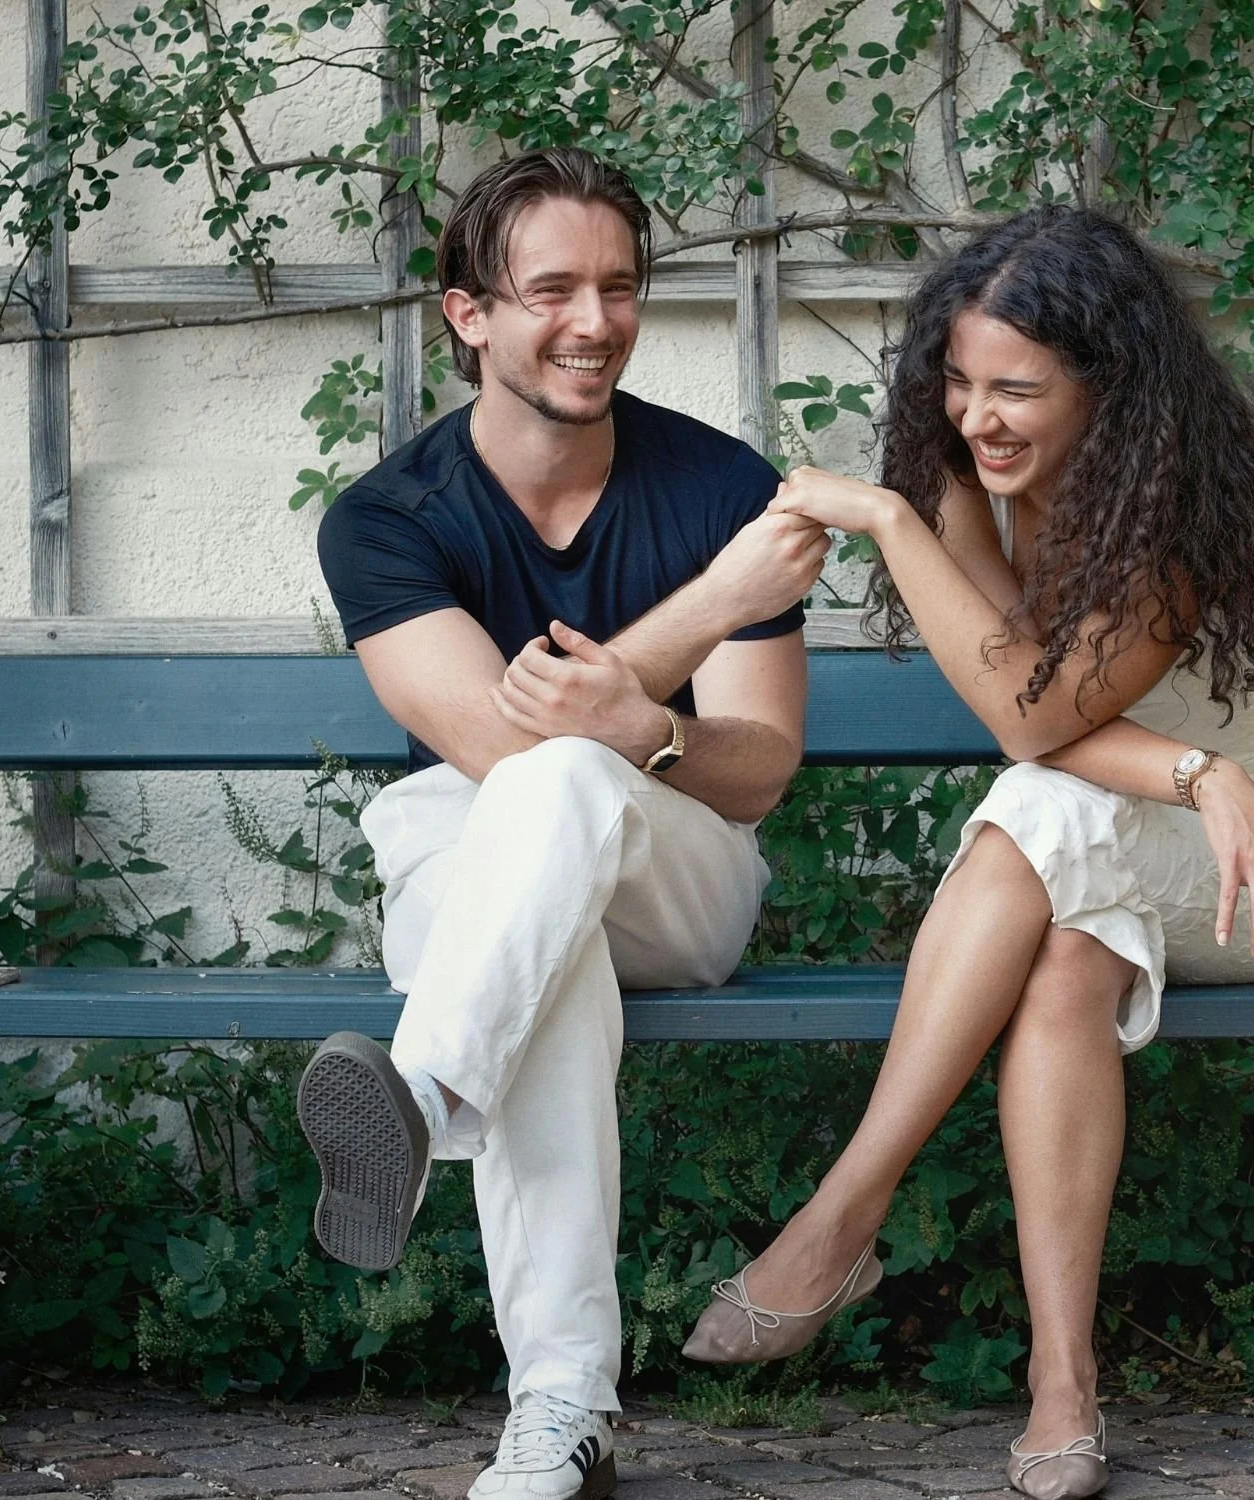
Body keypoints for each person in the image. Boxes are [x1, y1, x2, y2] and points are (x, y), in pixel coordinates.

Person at [678, 206, 1254, 1500]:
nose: (977, 415)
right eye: (960, 379)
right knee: (1062, 967)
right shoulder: (966, 485)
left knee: (1037, 815)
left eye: (1018, 390)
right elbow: (1038, 721)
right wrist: (1188, 771)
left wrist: (884, 519)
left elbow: (1026, 719)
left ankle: (840, 1218)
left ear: (1110, 390)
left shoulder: (1171, 531)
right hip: (1130, 839)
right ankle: (1062, 1391)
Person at [306, 147, 829, 1500]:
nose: (592, 322)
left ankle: (422, 1092)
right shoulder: (385, 521)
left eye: (617, 286)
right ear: (468, 312)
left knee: (567, 791)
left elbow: (761, 768)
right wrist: (706, 610)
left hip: (679, 870)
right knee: (540, 929)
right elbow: (492, 742)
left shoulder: (718, 487)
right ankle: (559, 1414)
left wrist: (637, 726)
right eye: (551, 291)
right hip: (488, 869)